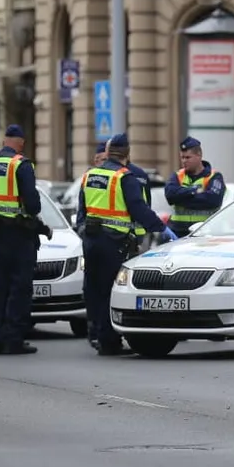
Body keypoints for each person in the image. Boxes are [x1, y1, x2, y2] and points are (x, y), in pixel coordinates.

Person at [77, 132, 169, 355]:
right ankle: (109, 341)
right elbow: (138, 208)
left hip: (91, 240)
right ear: (127, 153)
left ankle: (97, 334)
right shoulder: (124, 177)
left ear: (107, 153)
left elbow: (83, 209)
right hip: (113, 241)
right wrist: (161, 228)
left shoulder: (89, 176)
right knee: (110, 290)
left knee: (95, 289)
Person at [0, 124, 51, 356]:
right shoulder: (21, 165)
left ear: (3, 140)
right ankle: (14, 340)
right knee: (19, 288)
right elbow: (33, 205)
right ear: (21, 142)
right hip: (19, 237)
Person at [164, 136, 226, 238]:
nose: (184, 161)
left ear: (199, 155)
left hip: (204, 233)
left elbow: (213, 200)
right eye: (182, 157)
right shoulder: (177, 176)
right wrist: (193, 191)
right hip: (178, 233)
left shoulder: (214, 176)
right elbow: (170, 196)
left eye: (188, 157)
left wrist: (182, 197)